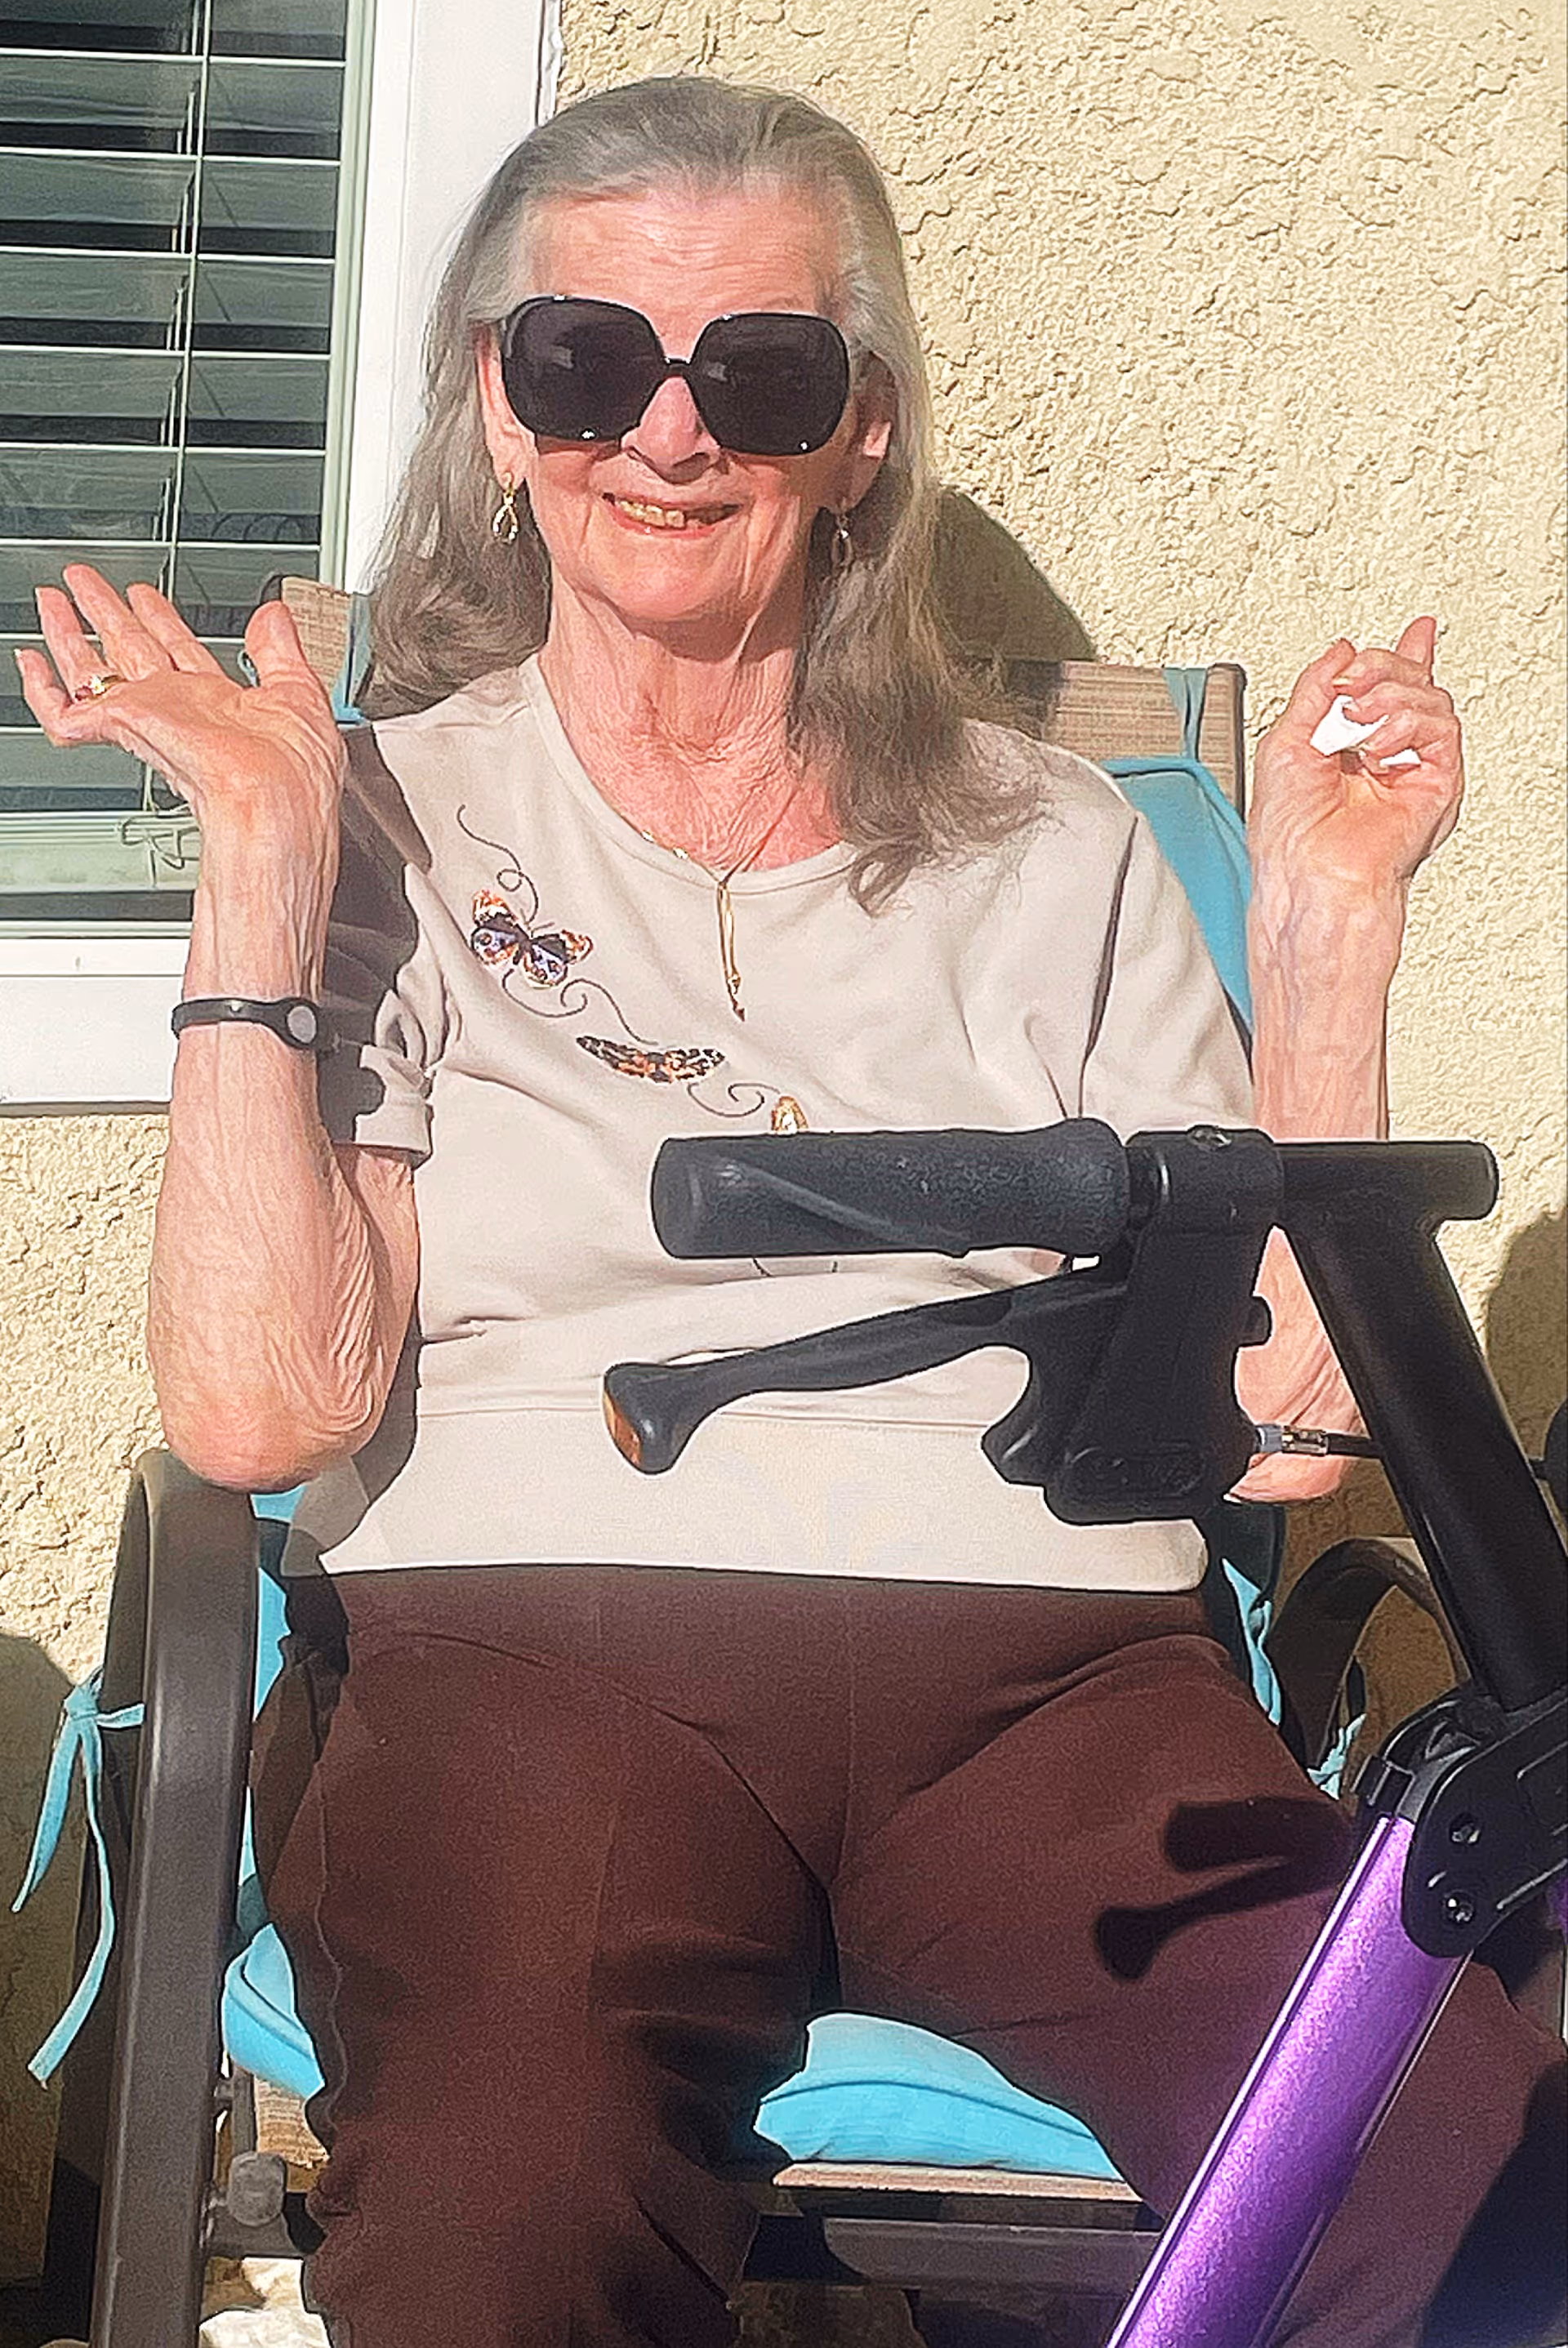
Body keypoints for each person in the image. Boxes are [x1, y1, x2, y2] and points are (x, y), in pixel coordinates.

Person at [20, 74, 1563, 2348]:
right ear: (493, 398)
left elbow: (1291, 1436)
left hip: (1058, 1698)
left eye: (756, 371)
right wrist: (258, 871)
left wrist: (1331, 934)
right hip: (537, 1671)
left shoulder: (1064, 849)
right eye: (583, 360)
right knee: (514, 2219)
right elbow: (261, 1412)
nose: (665, 434)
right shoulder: (375, 814)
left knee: (1471, 2177)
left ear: (860, 430)